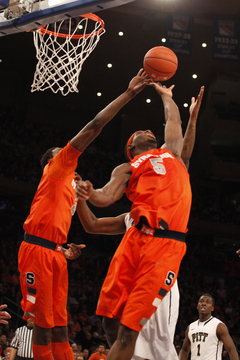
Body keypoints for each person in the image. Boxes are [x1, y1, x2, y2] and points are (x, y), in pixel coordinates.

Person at [18, 69, 149, 360]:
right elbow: (94, 125)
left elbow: (82, 219)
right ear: (52, 161)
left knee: (61, 330)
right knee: (41, 328)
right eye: (62, 152)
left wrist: (64, 250)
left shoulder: (71, 187)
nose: (70, 156)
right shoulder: (56, 169)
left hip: (53, 253)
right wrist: (129, 94)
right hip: (36, 253)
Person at [76, 82, 204, 360]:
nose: (148, 131)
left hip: (164, 245)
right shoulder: (127, 168)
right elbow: (105, 197)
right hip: (134, 238)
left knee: (129, 332)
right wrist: (88, 194)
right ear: (130, 147)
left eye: (150, 131)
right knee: (109, 320)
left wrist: (167, 96)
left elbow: (173, 120)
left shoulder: (172, 155)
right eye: (140, 133)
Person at [179, 294, 238, 360]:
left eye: (207, 302)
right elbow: (184, 350)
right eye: (201, 301)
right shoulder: (191, 327)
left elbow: (231, 350)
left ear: (212, 308)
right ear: (197, 306)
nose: (203, 303)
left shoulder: (219, 326)